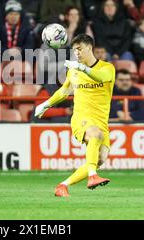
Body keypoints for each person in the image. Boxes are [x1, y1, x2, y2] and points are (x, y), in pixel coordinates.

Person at [34, 34, 115, 197]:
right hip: (81, 118)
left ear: (89, 48)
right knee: (95, 135)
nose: (76, 53)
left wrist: (82, 68)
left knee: (100, 159)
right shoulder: (73, 71)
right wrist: (45, 104)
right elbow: (64, 91)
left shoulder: (107, 68)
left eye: (79, 49)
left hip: (101, 120)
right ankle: (92, 176)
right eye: (74, 50)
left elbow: (101, 77)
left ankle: (62, 185)